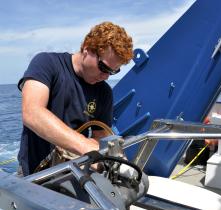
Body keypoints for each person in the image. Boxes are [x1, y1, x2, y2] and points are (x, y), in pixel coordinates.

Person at [17, 21, 134, 176]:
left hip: (74, 175)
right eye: (104, 68)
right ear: (87, 48)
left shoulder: (104, 92)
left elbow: (102, 136)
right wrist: (84, 145)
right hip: (33, 174)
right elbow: (32, 112)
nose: (106, 76)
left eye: (113, 72)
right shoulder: (46, 63)